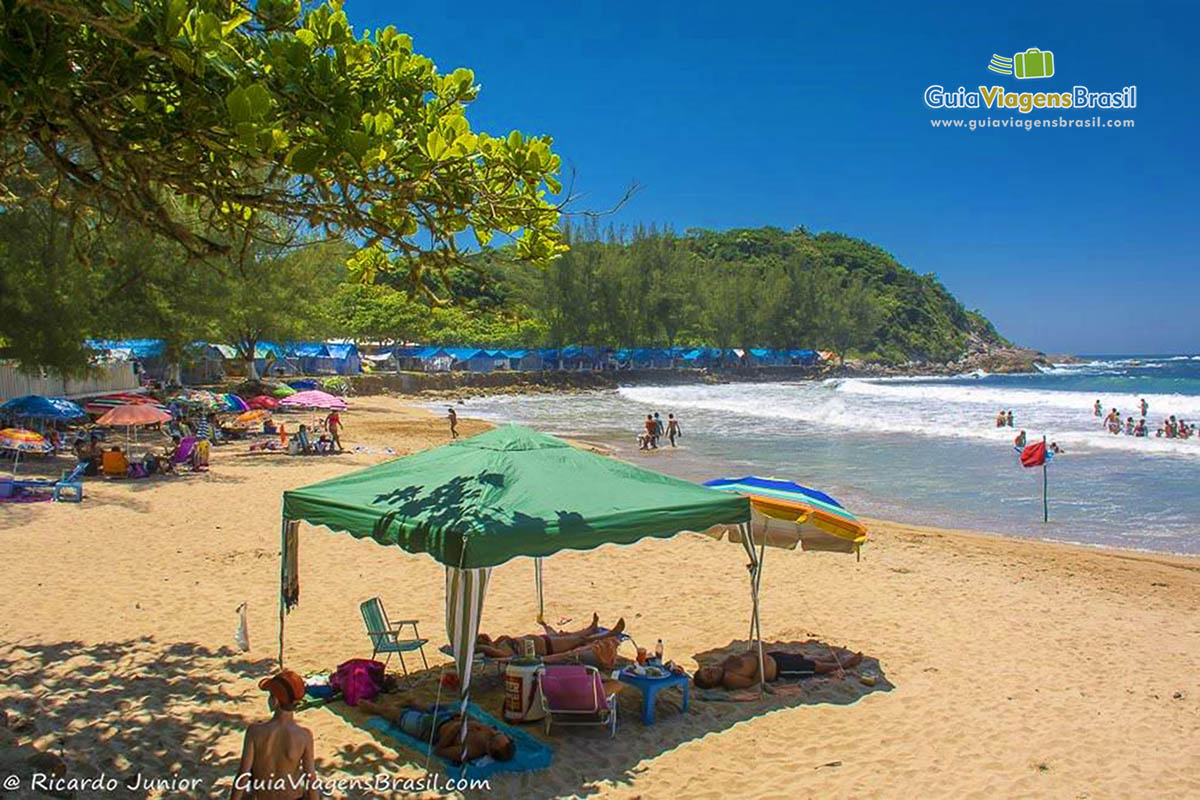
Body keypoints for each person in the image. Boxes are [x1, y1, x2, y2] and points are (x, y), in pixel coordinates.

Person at [229, 670, 318, 800]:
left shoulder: (254, 732)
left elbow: (243, 774)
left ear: (275, 701)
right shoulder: (304, 736)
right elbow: (311, 779)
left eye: (270, 695)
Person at [357, 698, 515, 765]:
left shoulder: (468, 752)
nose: (493, 733)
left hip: (429, 728)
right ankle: (410, 703)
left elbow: (439, 751)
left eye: (493, 739)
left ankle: (374, 708)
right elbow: (473, 720)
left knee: (389, 713)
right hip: (447, 716)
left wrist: (455, 729)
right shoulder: (490, 732)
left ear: (489, 750)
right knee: (418, 704)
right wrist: (464, 718)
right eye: (498, 734)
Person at [692, 647, 864, 690]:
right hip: (777, 668)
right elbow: (753, 682)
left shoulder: (721, 666)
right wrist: (761, 661)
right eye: (709, 676)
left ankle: (828, 658)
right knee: (813, 668)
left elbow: (742, 659)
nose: (710, 671)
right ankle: (845, 664)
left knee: (802, 659)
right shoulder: (729, 678)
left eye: (707, 669)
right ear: (714, 683)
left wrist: (755, 653)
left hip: (772, 658)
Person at [475, 616, 625, 659]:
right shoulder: (501, 654)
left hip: (544, 640)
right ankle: (610, 634)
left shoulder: (499, 644)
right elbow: (498, 653)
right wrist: (482, 648)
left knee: (570, 635)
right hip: (548, 648)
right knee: (579, 641)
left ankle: (591, 628)